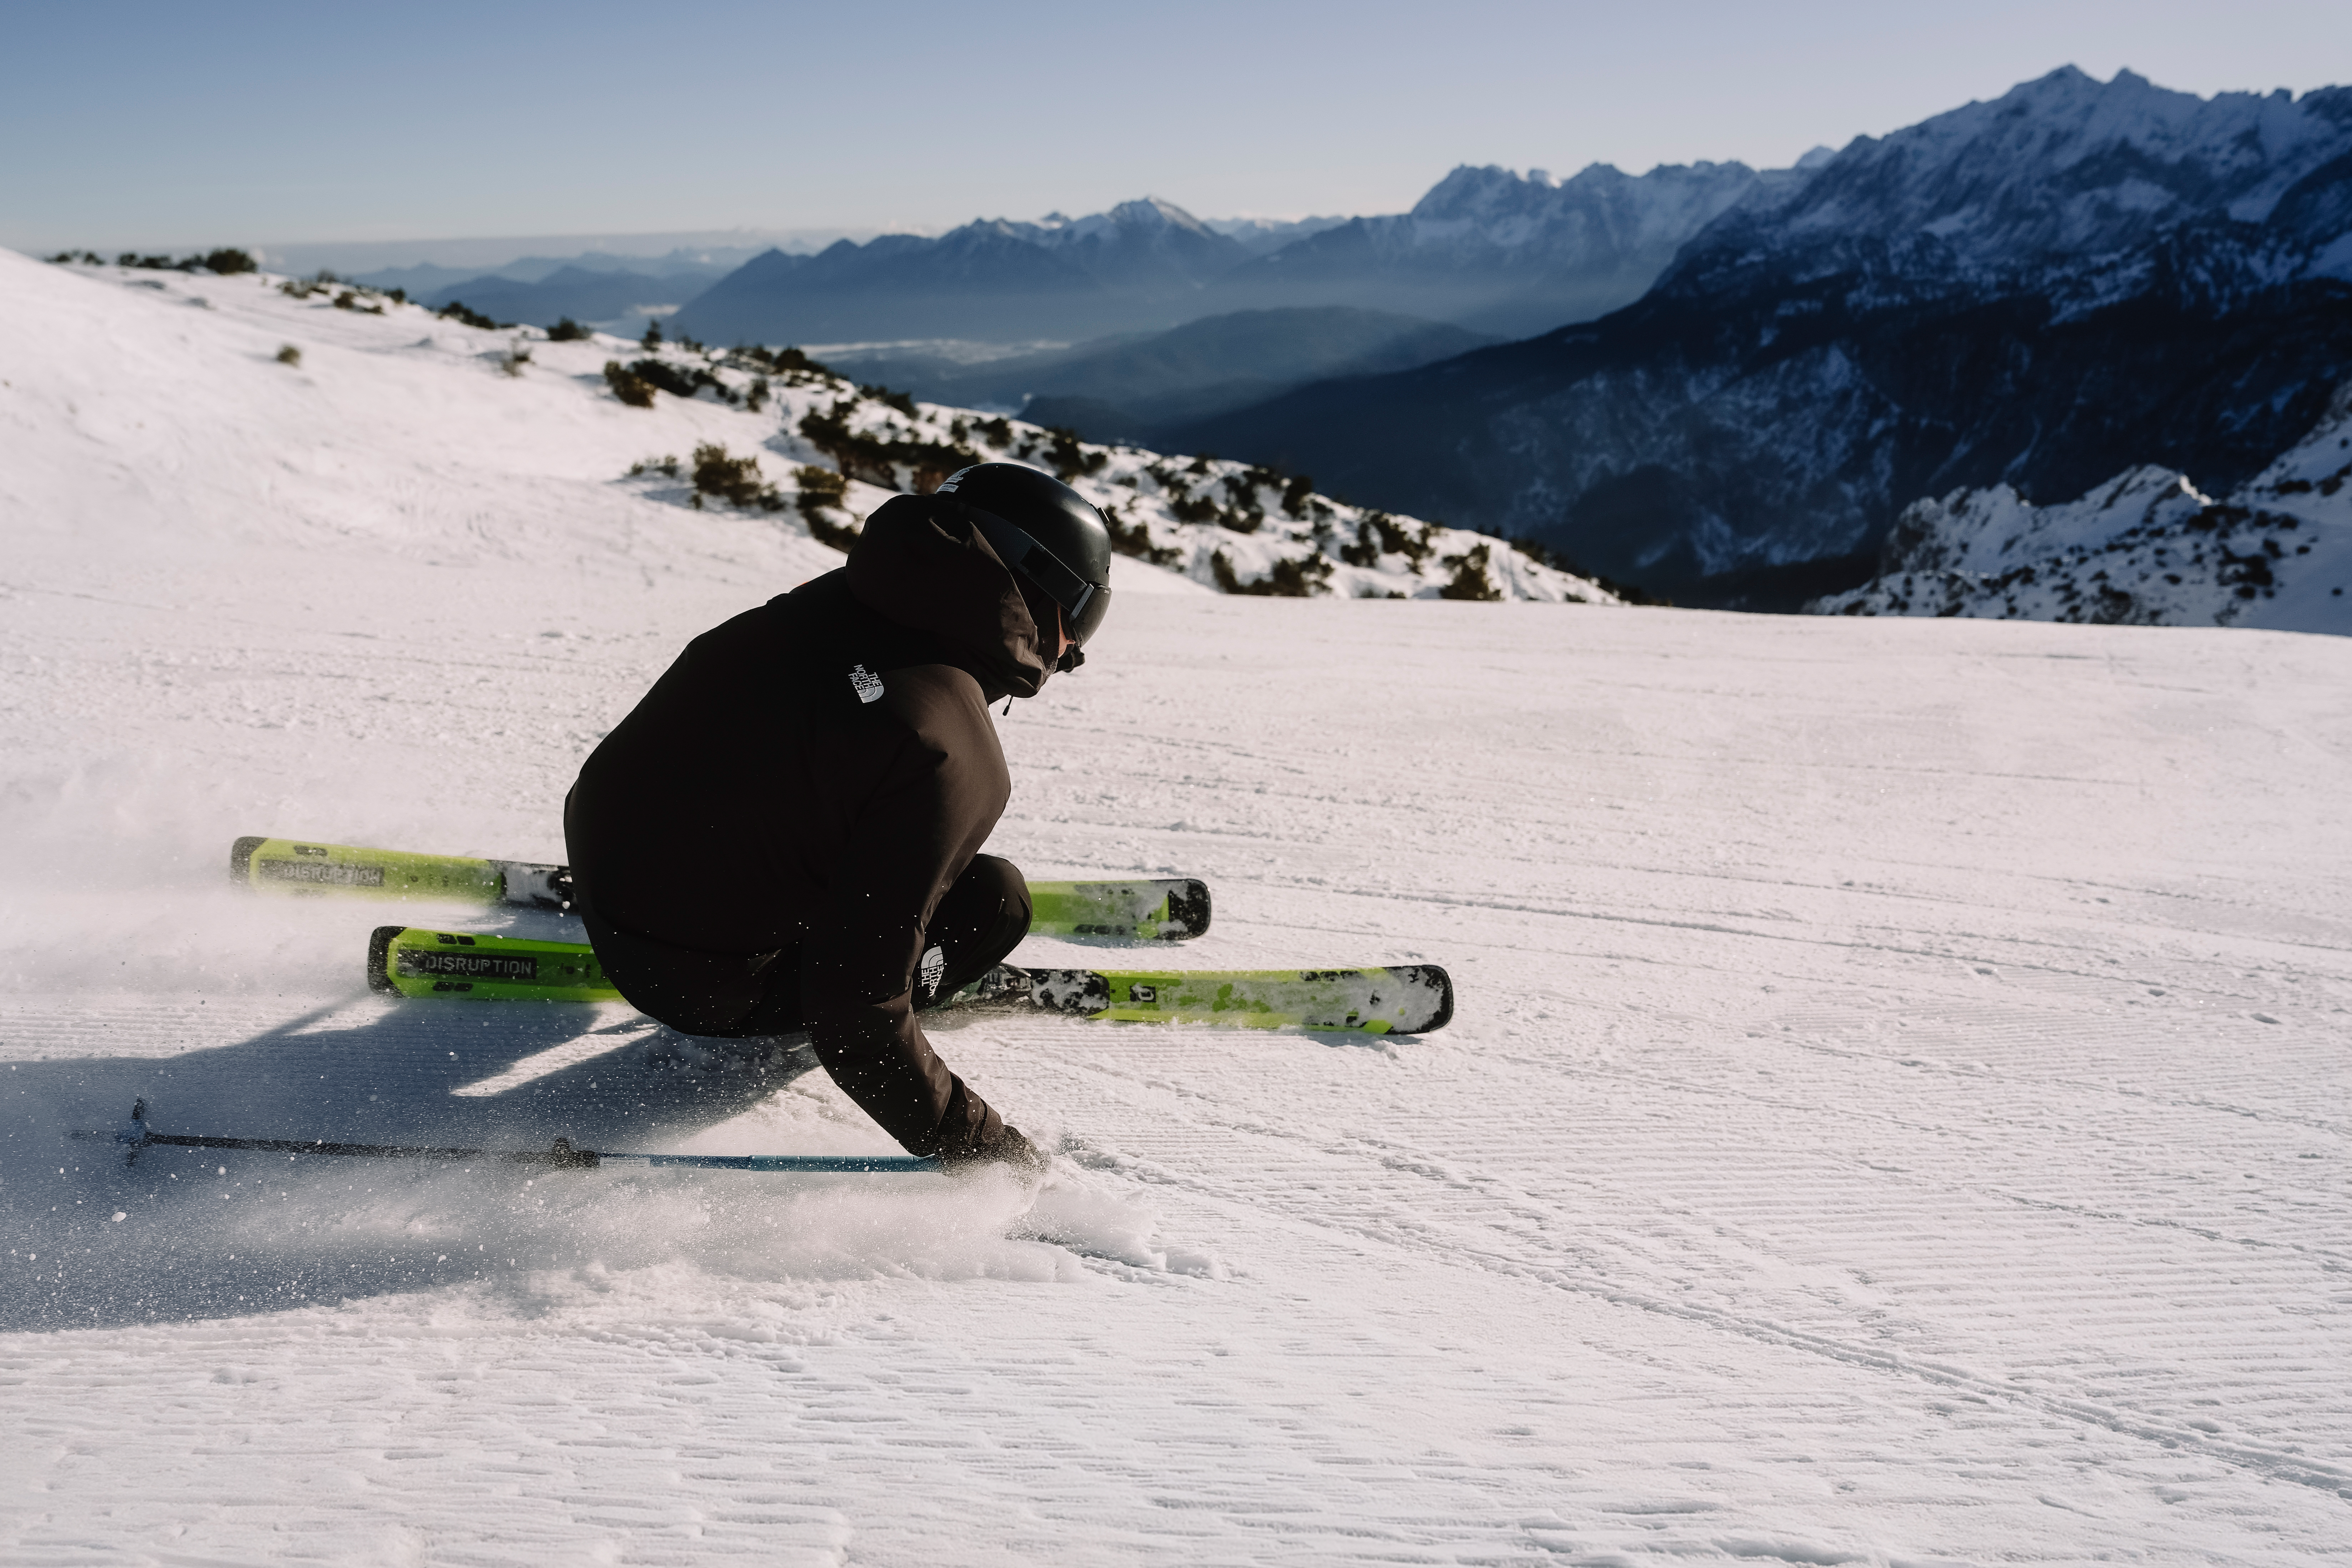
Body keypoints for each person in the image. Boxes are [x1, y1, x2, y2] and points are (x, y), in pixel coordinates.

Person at [563, 462, 1113, 1171]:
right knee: (996, 900)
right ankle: (907, 964)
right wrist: (993, 1156)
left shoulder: (824, 598)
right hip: (703, 987)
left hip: (606, 874)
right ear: (1046, 595)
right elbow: (854, 1018)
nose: (1072, 655)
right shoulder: (951, 748)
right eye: (1084, 624)